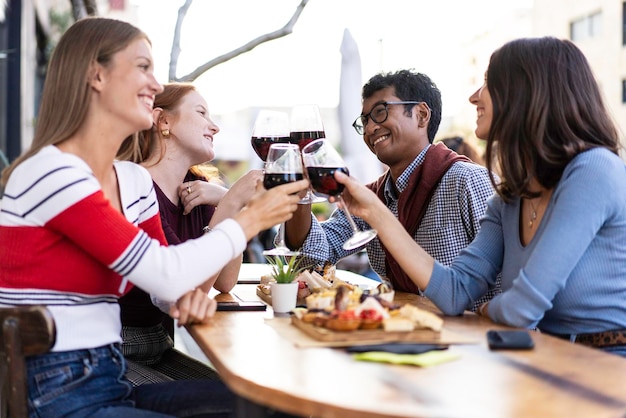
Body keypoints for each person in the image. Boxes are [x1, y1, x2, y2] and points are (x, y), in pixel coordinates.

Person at [0, 16, 308, 417]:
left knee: (274, 406)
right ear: (96, 75)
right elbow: (166, 272)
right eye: (142, 67)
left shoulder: (132, 180)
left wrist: (186, 299)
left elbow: (167, 290)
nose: (157, 85)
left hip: (108, 380)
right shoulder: (52, 172)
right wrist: (247, 219)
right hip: (58, 390)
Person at [330, 37, 626, 357]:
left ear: (527, 92)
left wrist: (488, 309)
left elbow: (521, 309)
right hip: (548, 359)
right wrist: (376, 212)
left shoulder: (592, 170)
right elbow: (456, 292)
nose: (474, 97)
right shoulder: (511, 197)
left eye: (487, 83)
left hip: (609, 368)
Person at [285, 69, 499, 310]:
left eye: (380, 112)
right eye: (365, 121)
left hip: (476, 340)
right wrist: (301, 191)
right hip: (405, 334)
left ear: (421, 115)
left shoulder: (469, 181)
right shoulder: (374, 196)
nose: (369, 129)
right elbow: (311, 259)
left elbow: (508, 282)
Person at [116, 82, 261, 385]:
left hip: (161, 345)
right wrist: (232, 200)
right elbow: (185, 291)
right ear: (164, 121)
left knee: (251, 396)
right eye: (201, 113)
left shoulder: (197, 190)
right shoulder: (134, 188)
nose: (215, 126)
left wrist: (224, 200)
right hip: (118, 351)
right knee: (236, 404)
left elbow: (224, 280)